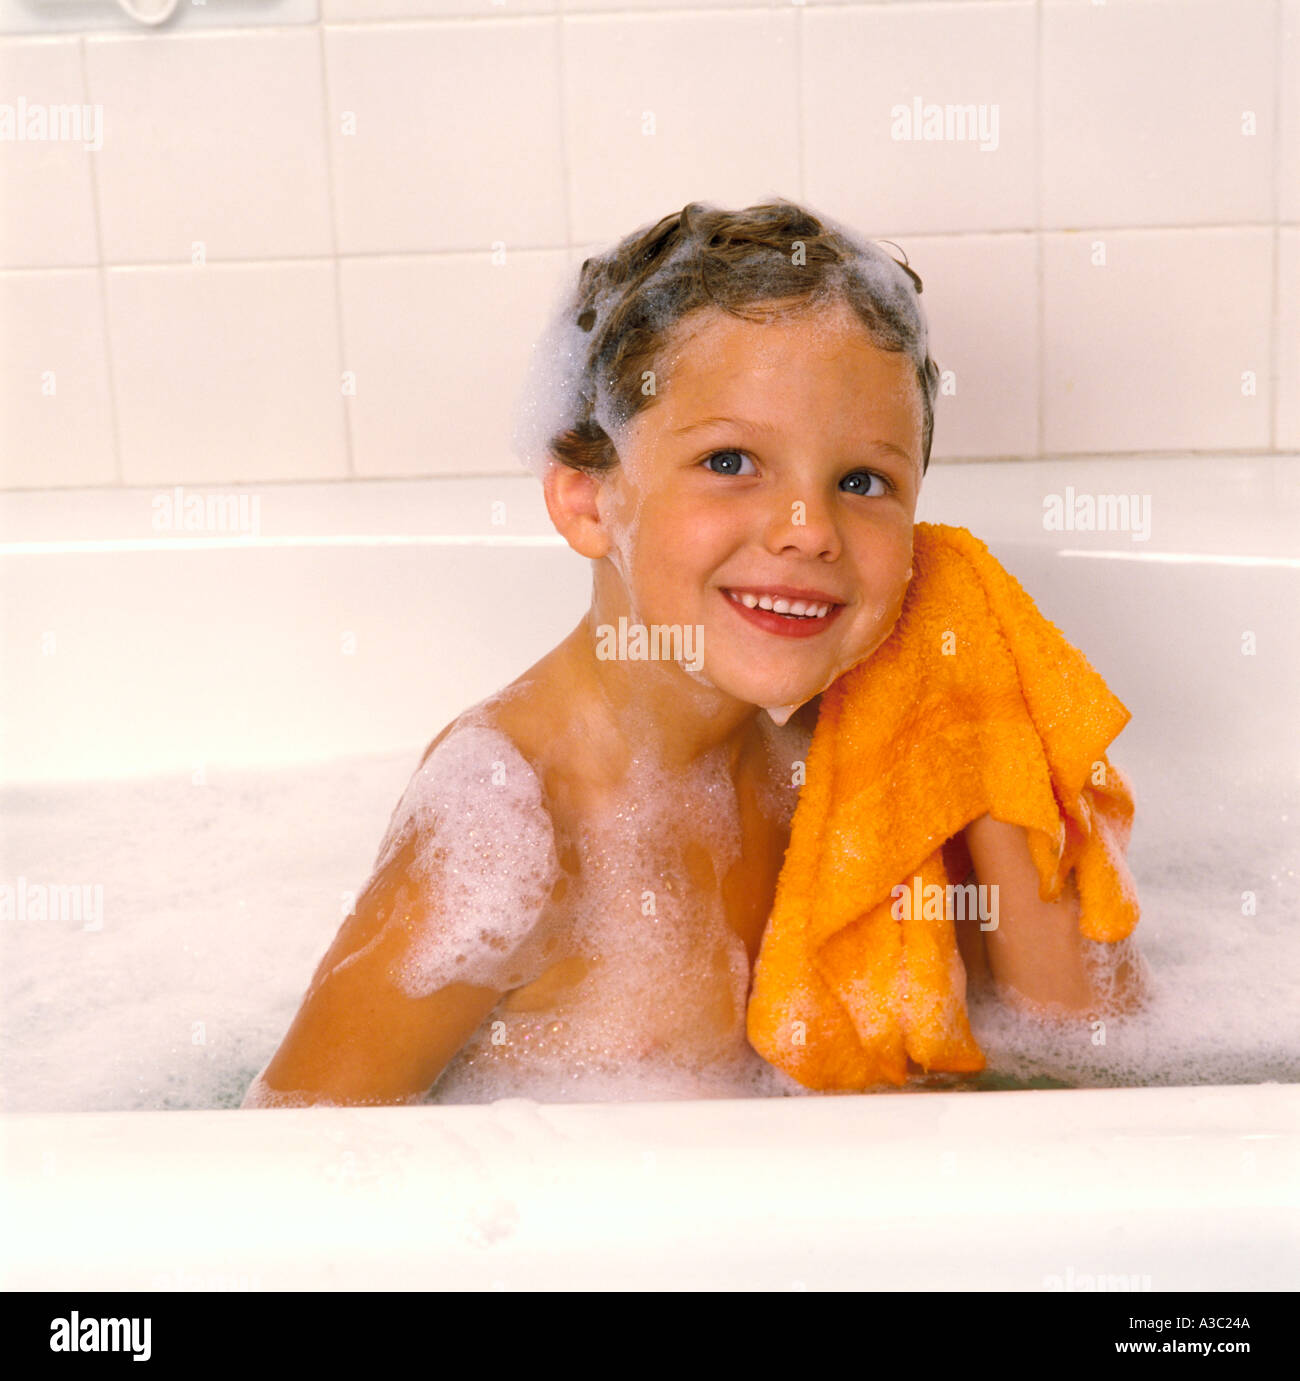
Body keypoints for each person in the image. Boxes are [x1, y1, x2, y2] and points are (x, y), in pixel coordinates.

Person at [242, 198, 1146, 1109]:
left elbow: (1078, 1059)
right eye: (729, 462)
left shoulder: (851, 760)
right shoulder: (510, 833)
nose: (809, 531)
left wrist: (984, 741)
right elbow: (285, 1175)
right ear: (589, 502)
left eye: (862, 481)